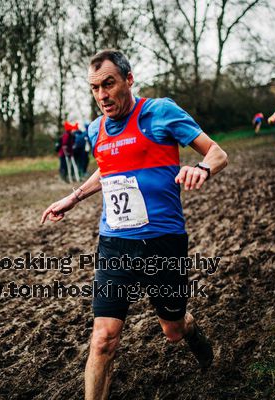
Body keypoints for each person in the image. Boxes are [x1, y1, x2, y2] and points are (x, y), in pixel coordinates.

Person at [41, 50, 228, 400]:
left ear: (128, 79)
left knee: (172, 329)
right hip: (114, 242)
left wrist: (201, 168)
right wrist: (75, 196)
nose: (102, 95)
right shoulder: (95, 129)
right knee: (102, 340)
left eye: (108, 84)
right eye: (94, 87)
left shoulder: (160, 112)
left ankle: (192, 331)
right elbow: (108, 167)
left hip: (163, 240)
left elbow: (217, 152)